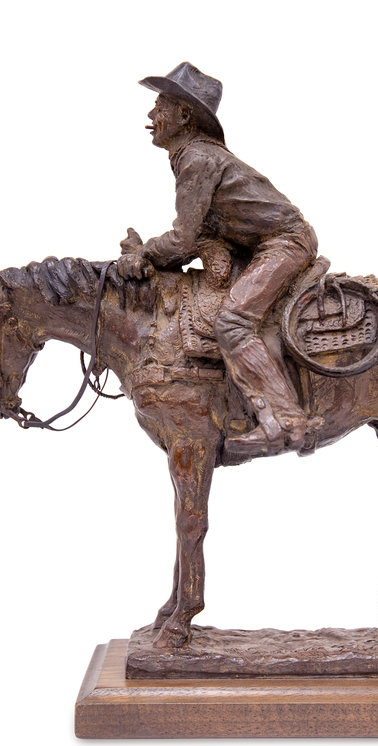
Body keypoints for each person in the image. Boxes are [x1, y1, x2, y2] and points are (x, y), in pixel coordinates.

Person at [118, 63, 318, 456]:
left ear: (184, 115)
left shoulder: (196, 158)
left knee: (232, 321)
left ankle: (285, 419)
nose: (151, 114)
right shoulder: (192, 156)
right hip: (262, 243)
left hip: (284, 242)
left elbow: (183, 238)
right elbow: (201, 234)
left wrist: (145, 252)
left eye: (160, 106)